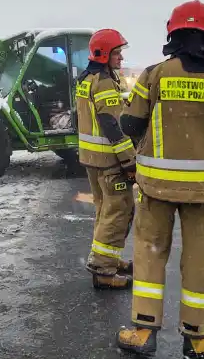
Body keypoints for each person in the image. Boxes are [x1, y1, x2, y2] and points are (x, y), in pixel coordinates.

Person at [116, 0, 204, 358]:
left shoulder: (156, 74)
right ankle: (197, 336)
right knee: (200, 259)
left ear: (172, 32)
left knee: (149, 252)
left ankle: (143, 331)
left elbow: (129, 123)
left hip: (155, 187)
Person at [75, 28, 138, 290]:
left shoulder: (86, 77)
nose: (121, 58)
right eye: (117, 53)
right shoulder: (102, 82)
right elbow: (112, 124)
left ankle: (108, 258)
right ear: (103, 54)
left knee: (104, 210)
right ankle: (103, 270)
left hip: (92, 158)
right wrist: (129, 161)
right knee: (118, 211)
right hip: (109, 160)